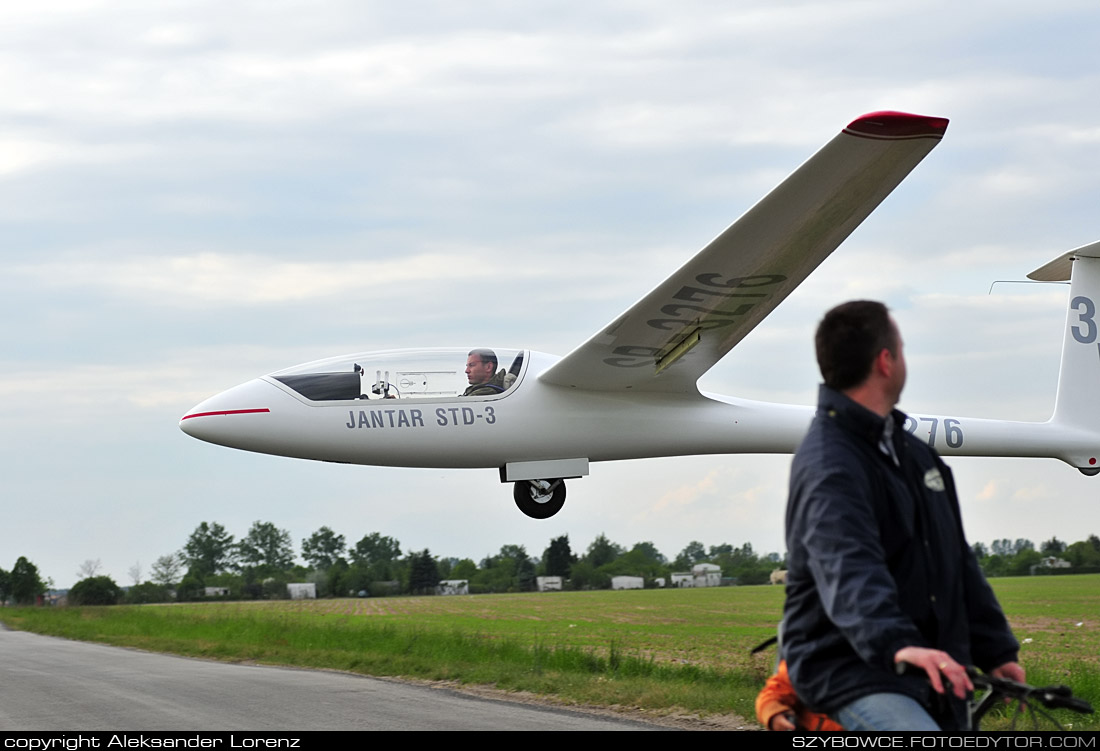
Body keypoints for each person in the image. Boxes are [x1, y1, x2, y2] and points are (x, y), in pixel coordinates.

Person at [782, 300, 1024, 731]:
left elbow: (956, 559)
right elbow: (848, 568)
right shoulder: (830, 465)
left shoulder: (917, 456)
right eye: (904, 349)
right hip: (853, 671)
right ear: (886, 361)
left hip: (932, 665)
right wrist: (897, 643)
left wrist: (997, 650)